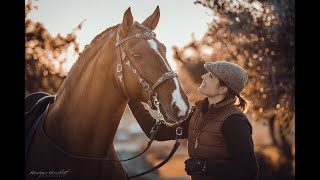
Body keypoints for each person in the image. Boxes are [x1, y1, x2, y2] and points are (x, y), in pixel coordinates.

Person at [128, 61, 259, 180]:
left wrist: (205, 166)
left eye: (211, 76)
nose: (203, 77)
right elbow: (158, 133)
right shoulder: (196, 114)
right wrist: (132, 100)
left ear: (223, 89)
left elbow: (249, 171)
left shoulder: (234, 121)